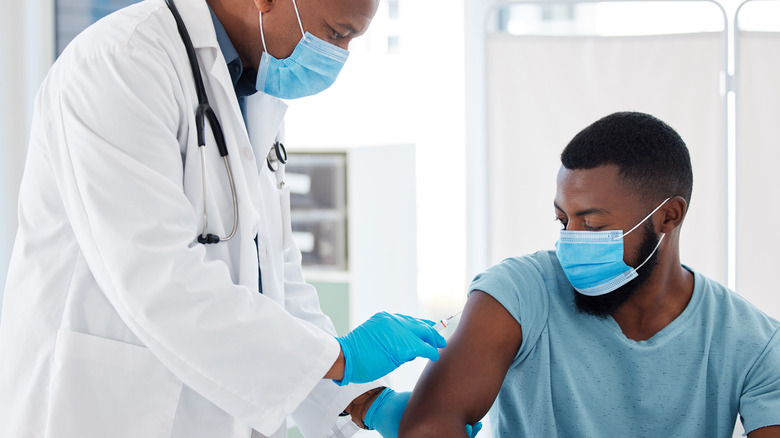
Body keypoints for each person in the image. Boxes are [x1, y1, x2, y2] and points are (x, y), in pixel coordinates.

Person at [0, 0, 471, 437]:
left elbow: (275, 283)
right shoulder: (119, 65)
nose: (338, 57)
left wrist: (362, 398)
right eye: (335, 34)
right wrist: (339, 358)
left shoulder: (251, 90)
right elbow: (159, 284)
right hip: (99, 411)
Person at [398, 112, 780, 437]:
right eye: (563, 220)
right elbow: (429, 424)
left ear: (669, 216)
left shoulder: (753, 343)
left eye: (593, 225)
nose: (571, 242)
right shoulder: (518, 293)